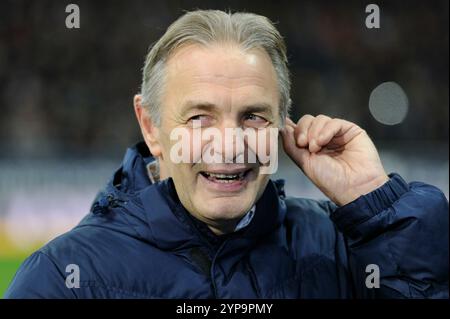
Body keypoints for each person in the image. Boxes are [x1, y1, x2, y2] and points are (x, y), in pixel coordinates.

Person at [5, 9, 448, 299]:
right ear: (150, 126)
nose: (230, 142)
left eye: (254, 116)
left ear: (282, 124)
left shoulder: (343, 250)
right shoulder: (61, 279)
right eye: (200, 117)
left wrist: (375, 203)